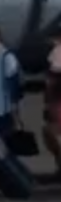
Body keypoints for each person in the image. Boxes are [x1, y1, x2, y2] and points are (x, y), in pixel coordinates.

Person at [40, 29, 61, 180]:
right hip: (54, 102)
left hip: (57, 102)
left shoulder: (58, 53)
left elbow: (54, 75)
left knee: (53, 134)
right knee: (49, 134)